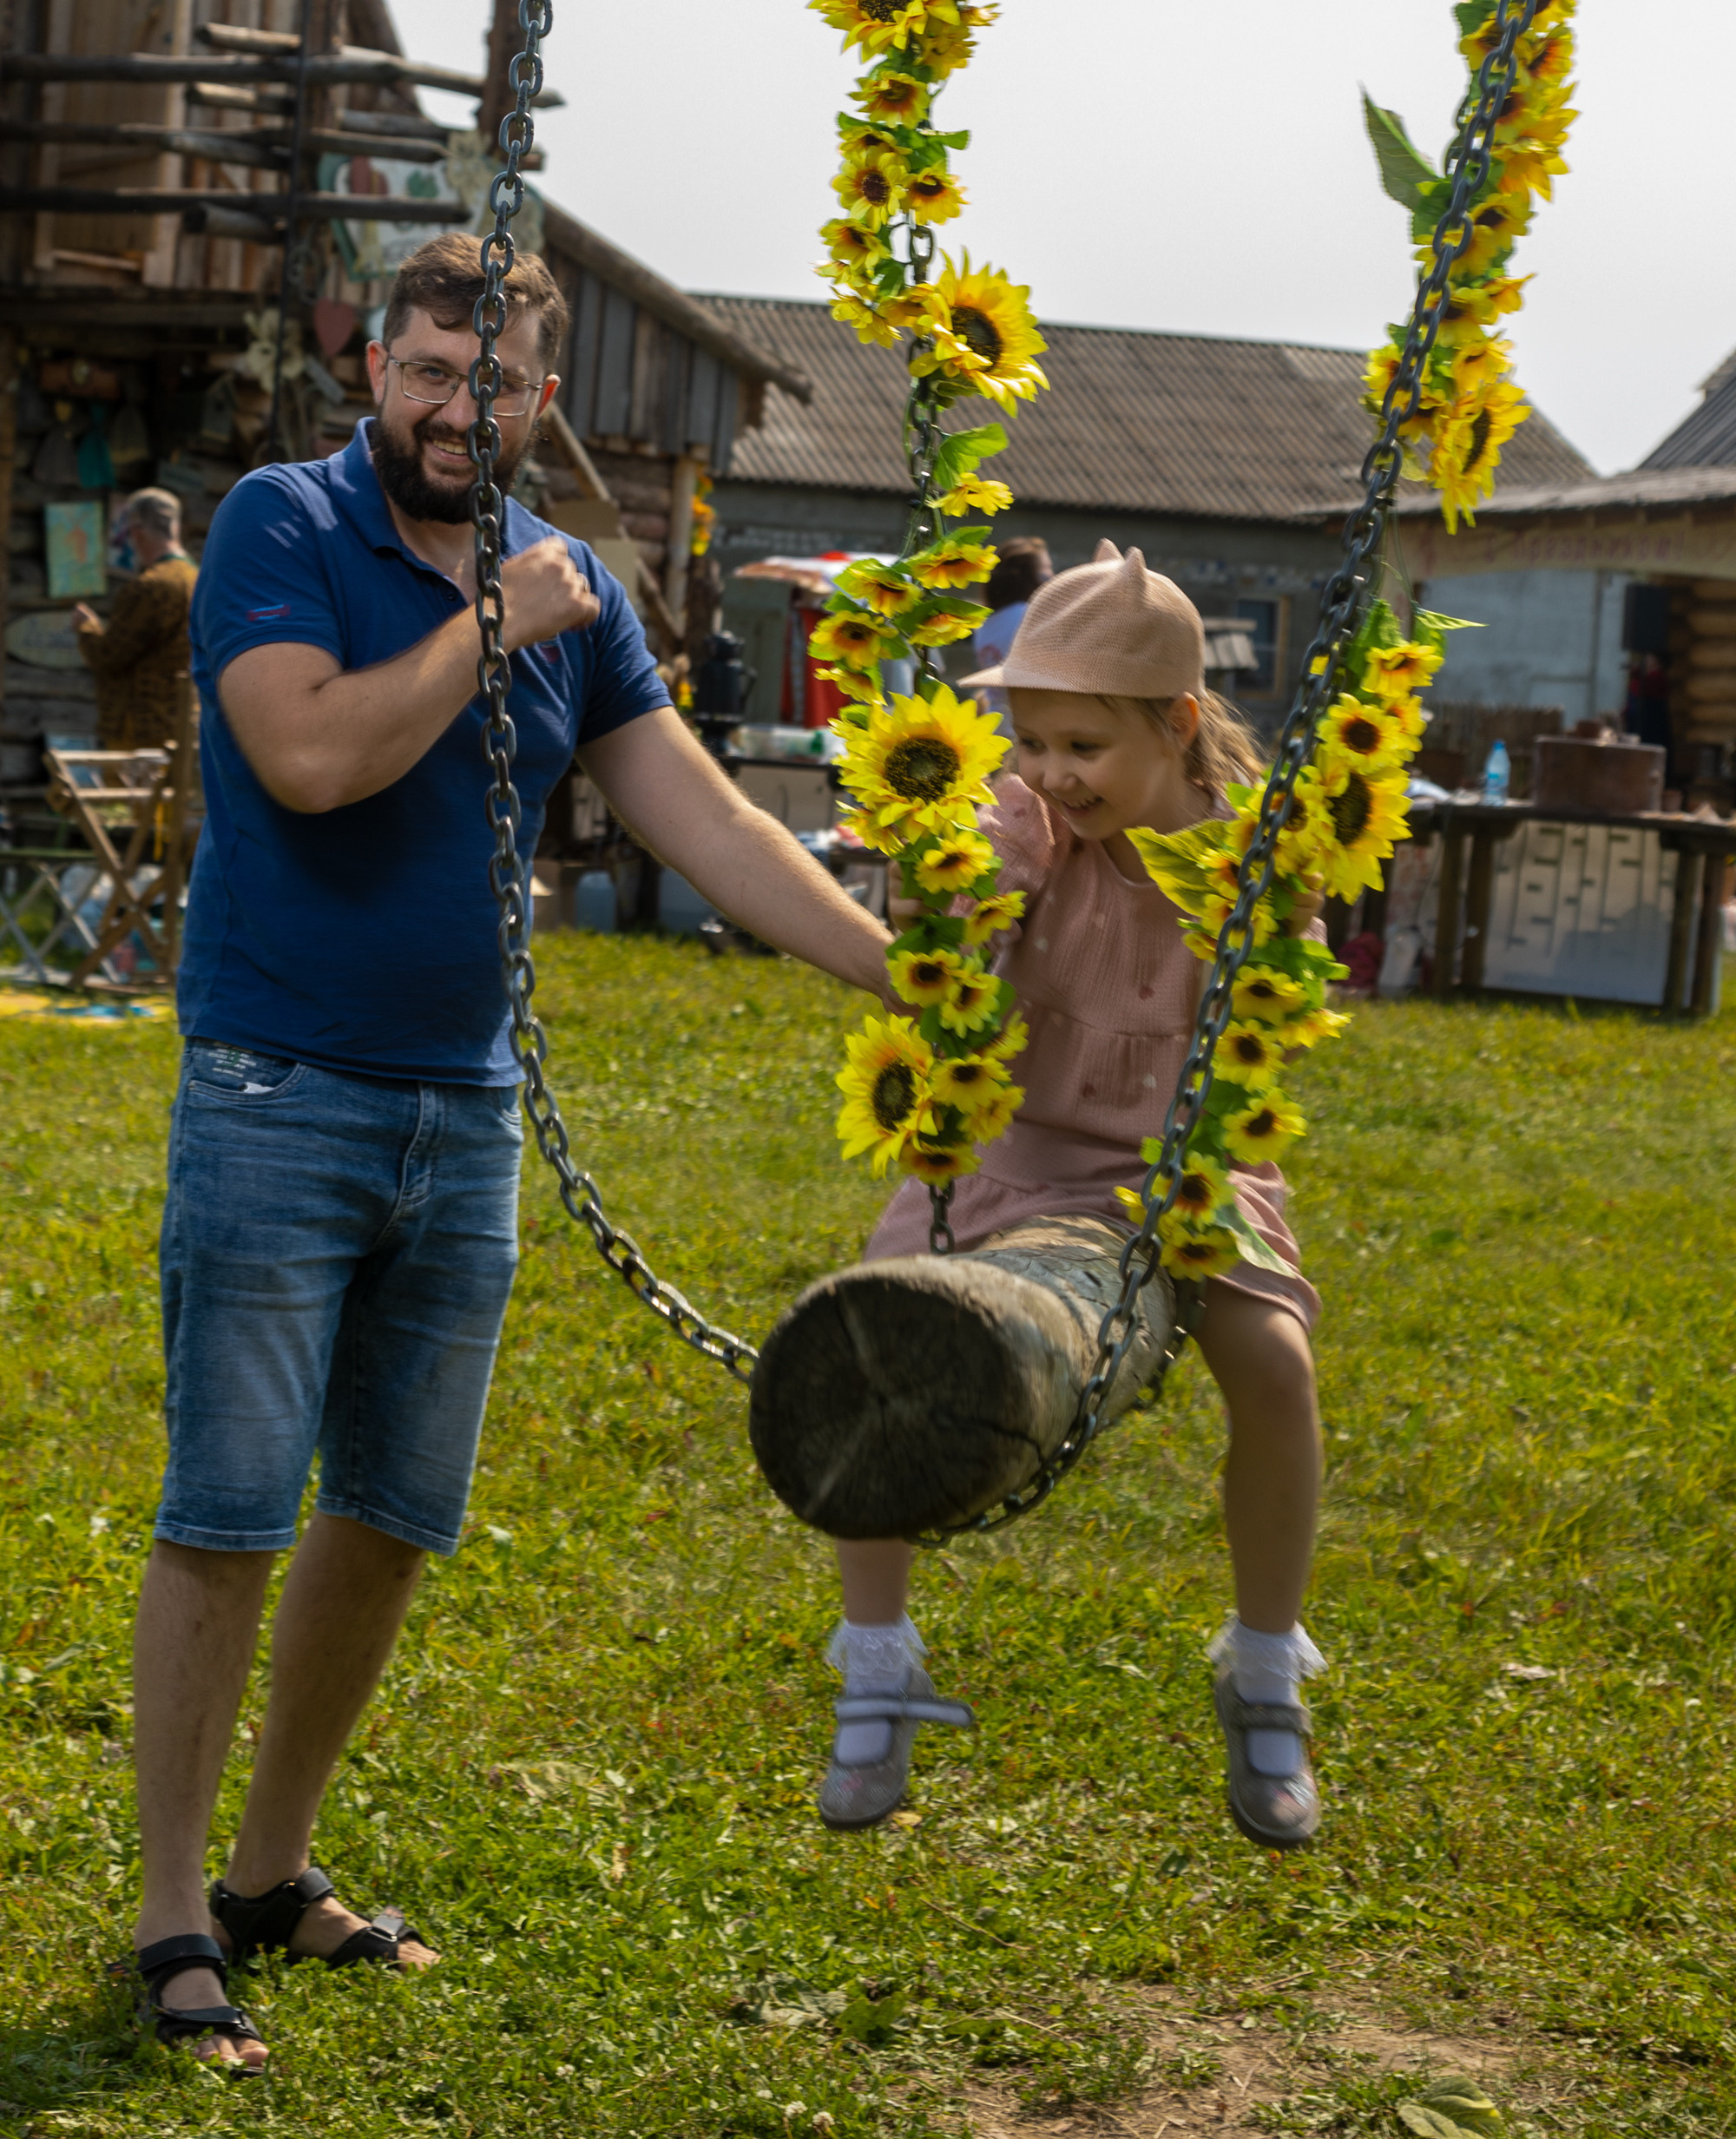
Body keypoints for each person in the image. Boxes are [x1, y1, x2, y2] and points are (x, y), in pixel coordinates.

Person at [130, 234, 898, 2074]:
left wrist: (898, 974)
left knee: (392, 1517)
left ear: (537, 401)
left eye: (490, 386)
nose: (452, 412)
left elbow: (697, 816)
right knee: (230, 1515)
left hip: (459, 1113)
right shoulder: (281, 530)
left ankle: (269, 1872)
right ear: (372, 374)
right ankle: (167, 1915)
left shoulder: (573, 588)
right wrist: (491, 626)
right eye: (422, 376)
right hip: (276, 1090)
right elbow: (310, 759)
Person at [817, 543, 1325, 1850]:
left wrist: (1275, 911)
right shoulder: (1026, 820)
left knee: (1275, 1369)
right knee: (872, 1342)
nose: (1049, 771)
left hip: (1185, 1160)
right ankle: (877, 1670)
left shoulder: (1249, 859)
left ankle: (1263, 1669)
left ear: (1180, 728)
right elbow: (970, 892)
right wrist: (959, 876)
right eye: (1029, 738)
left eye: (1082, 746)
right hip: (1011, 1146)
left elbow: (1285, 1003)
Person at [73, 488, 195, 748]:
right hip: (188, 727)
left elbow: (109, 657)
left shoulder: (149, 587)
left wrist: (86, 627)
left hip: (140, 730)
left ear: (137, 533)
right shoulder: (201, 580)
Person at [964, 536, 1052, 743]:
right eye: (1047, 569)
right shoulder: (1030, 616)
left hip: (994, 725)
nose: (1051, 576)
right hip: (1028, 729)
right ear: (1033, 577)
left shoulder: (987, 624)